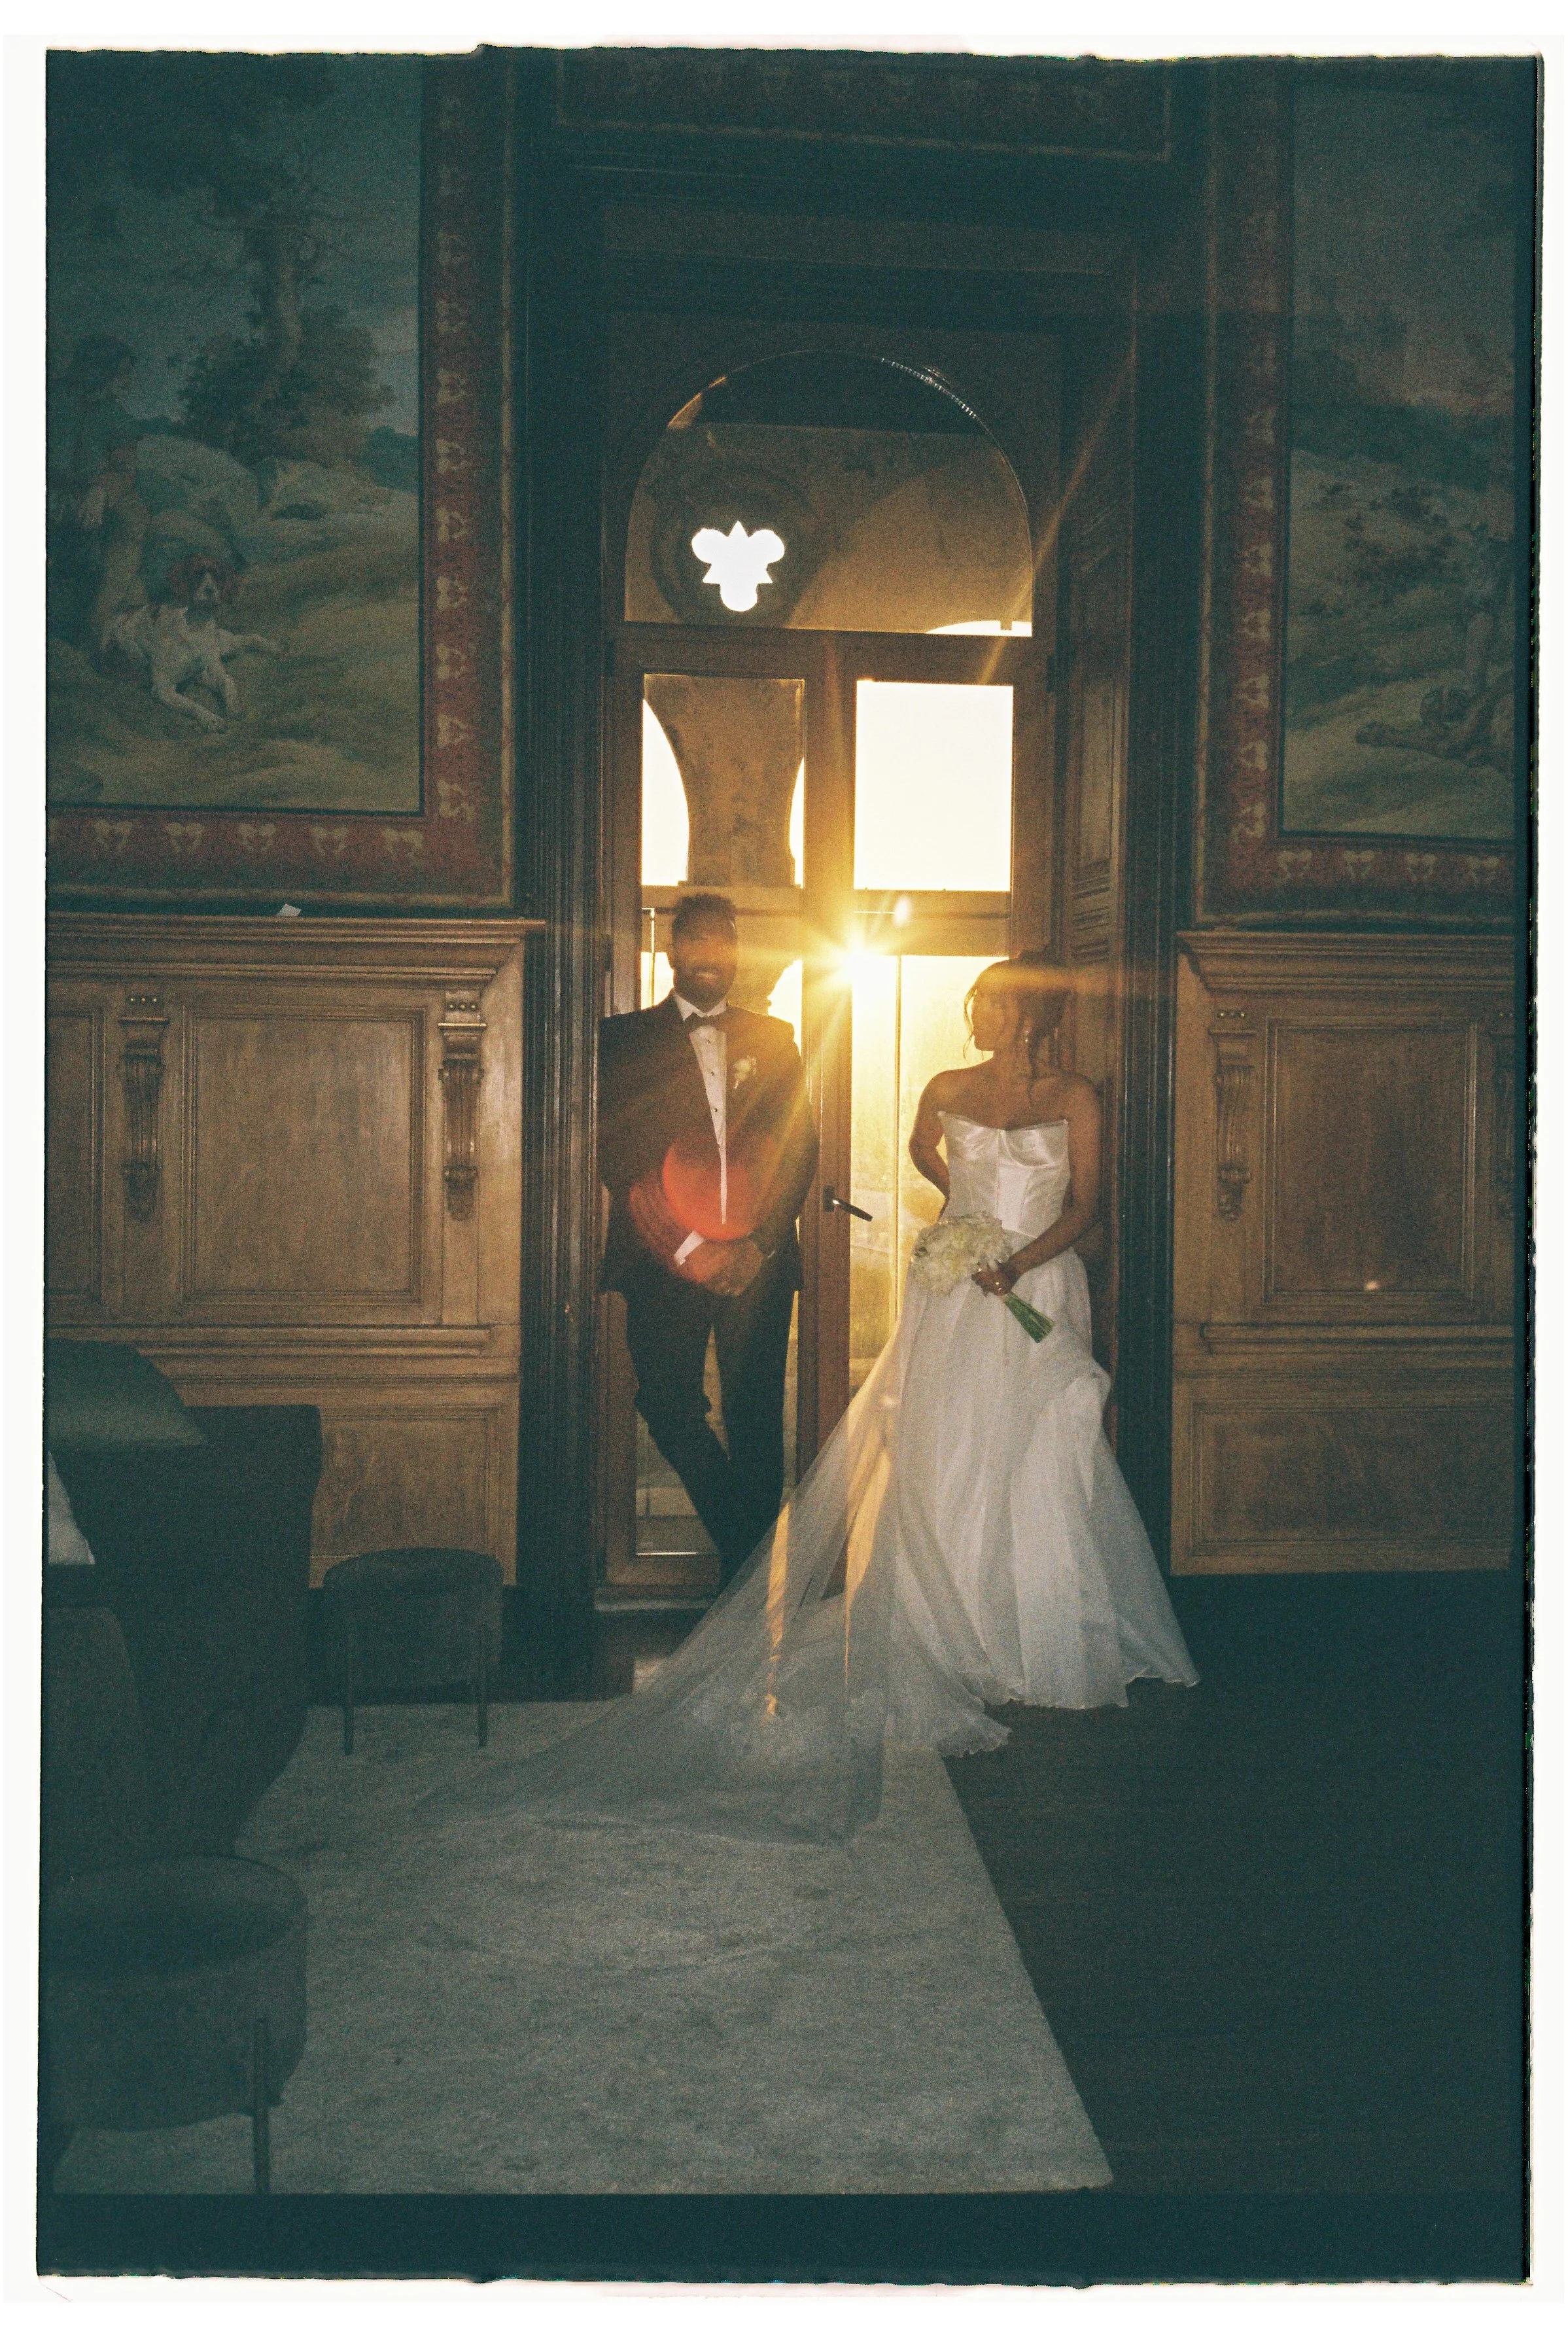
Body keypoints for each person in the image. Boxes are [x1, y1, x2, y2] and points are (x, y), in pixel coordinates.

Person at [426, 953, 1194, 1846]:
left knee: (1040, 1449)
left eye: (982, 1002)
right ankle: (948, 1628)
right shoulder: (948, 1081)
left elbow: (1091, 1206)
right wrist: (962, 1218)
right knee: (946, 1451)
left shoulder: (1082, 1096)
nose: (970, 1014)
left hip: (1033, 1287)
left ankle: (1039, 1628)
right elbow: (920, 1146)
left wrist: (1016, 1257)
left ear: (1024, 1013)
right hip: (957, 1289)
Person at [597, 890, 819, 1584]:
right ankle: (753, 1551)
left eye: (722, 942)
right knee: (666, 1402)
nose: (709, 956)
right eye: (695, 941)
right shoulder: (622, 1039)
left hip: (759, 1260)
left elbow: (798, 1147)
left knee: (755, 1416)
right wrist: (692, 1249)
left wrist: (758, 1245)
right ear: (670, 947)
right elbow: (618, 1153)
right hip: (664, 1261)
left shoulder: (774, 1039)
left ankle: (744, 1590)